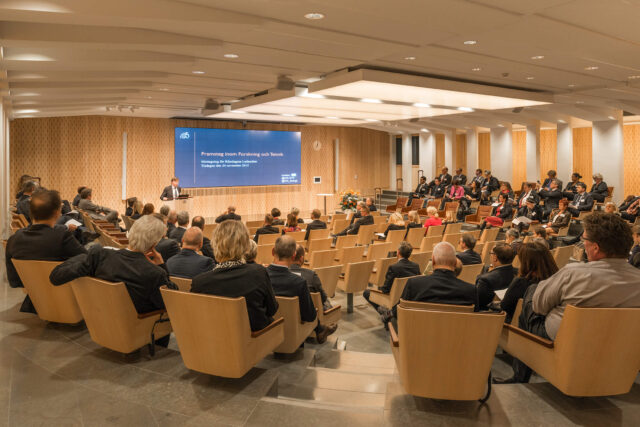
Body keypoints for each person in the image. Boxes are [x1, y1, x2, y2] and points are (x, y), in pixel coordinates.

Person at [497, 213, 640, 384]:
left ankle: (520, 376)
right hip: (618, 344)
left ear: (595, 248)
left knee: (532, 291)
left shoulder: (573, 273)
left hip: (567, 342)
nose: (582, 242)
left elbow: (539, 307)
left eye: (584, 238)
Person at [50, 215, 178, 315]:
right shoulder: (155, 273)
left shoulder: (100, 255)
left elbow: (56, 277)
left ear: (130, 233)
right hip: (137, 327)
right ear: (154, 244)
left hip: (100, 321)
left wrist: (86, 260)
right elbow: (171, 302)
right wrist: (161, 266)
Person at [6, 189, 88, 313]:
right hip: (64, 300)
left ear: (31, 212)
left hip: (35, 296)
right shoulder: (61, 236)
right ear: (57, 213)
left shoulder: (13, 239)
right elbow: (87, 259)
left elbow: (14, 280)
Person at [190, 219, 278, 332]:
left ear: (215, 244)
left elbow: (197, 319)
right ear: (246, 245)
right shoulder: (258, 272)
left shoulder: (199, 282)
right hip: (253, 339)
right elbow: (272, 310)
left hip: (215, 339)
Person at [267, 236, 337, 343]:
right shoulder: (299, 282)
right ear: (293, 255)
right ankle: (321, 329)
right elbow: (310, 316)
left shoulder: (261, 276)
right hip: (295, 330)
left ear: (273, 251)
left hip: (268, 328)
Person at [389, 242, 477, 321]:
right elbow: (475, 319)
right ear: (455, 263)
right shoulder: (471, 290)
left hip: (417, 336)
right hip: (456, 337)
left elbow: (398, 313)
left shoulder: (415, 284)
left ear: (433, 261)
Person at [489, 242, 558, 324]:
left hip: (516, 326)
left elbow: (505, 306)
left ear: (526, 262)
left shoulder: (522, 282)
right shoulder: (555, 277)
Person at [364, 242, 420, 312]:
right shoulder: (416, 266)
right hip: (408, 298)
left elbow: (385, 290)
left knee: (366, 292)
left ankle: (385, 312)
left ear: (398, 252)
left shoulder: (394, 267)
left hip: (394, 299)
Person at [290, 244, 332, 310]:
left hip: (285, 316)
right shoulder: (311, 275)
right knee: (327, 302)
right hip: (309, 316)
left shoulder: (280, 274)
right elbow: (323, 297)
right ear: (301, 258)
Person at [476, 244, 517, 309]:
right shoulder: (519, 274)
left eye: (491, 253)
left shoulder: (485, 280)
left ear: (495, 258)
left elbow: (478, 305)